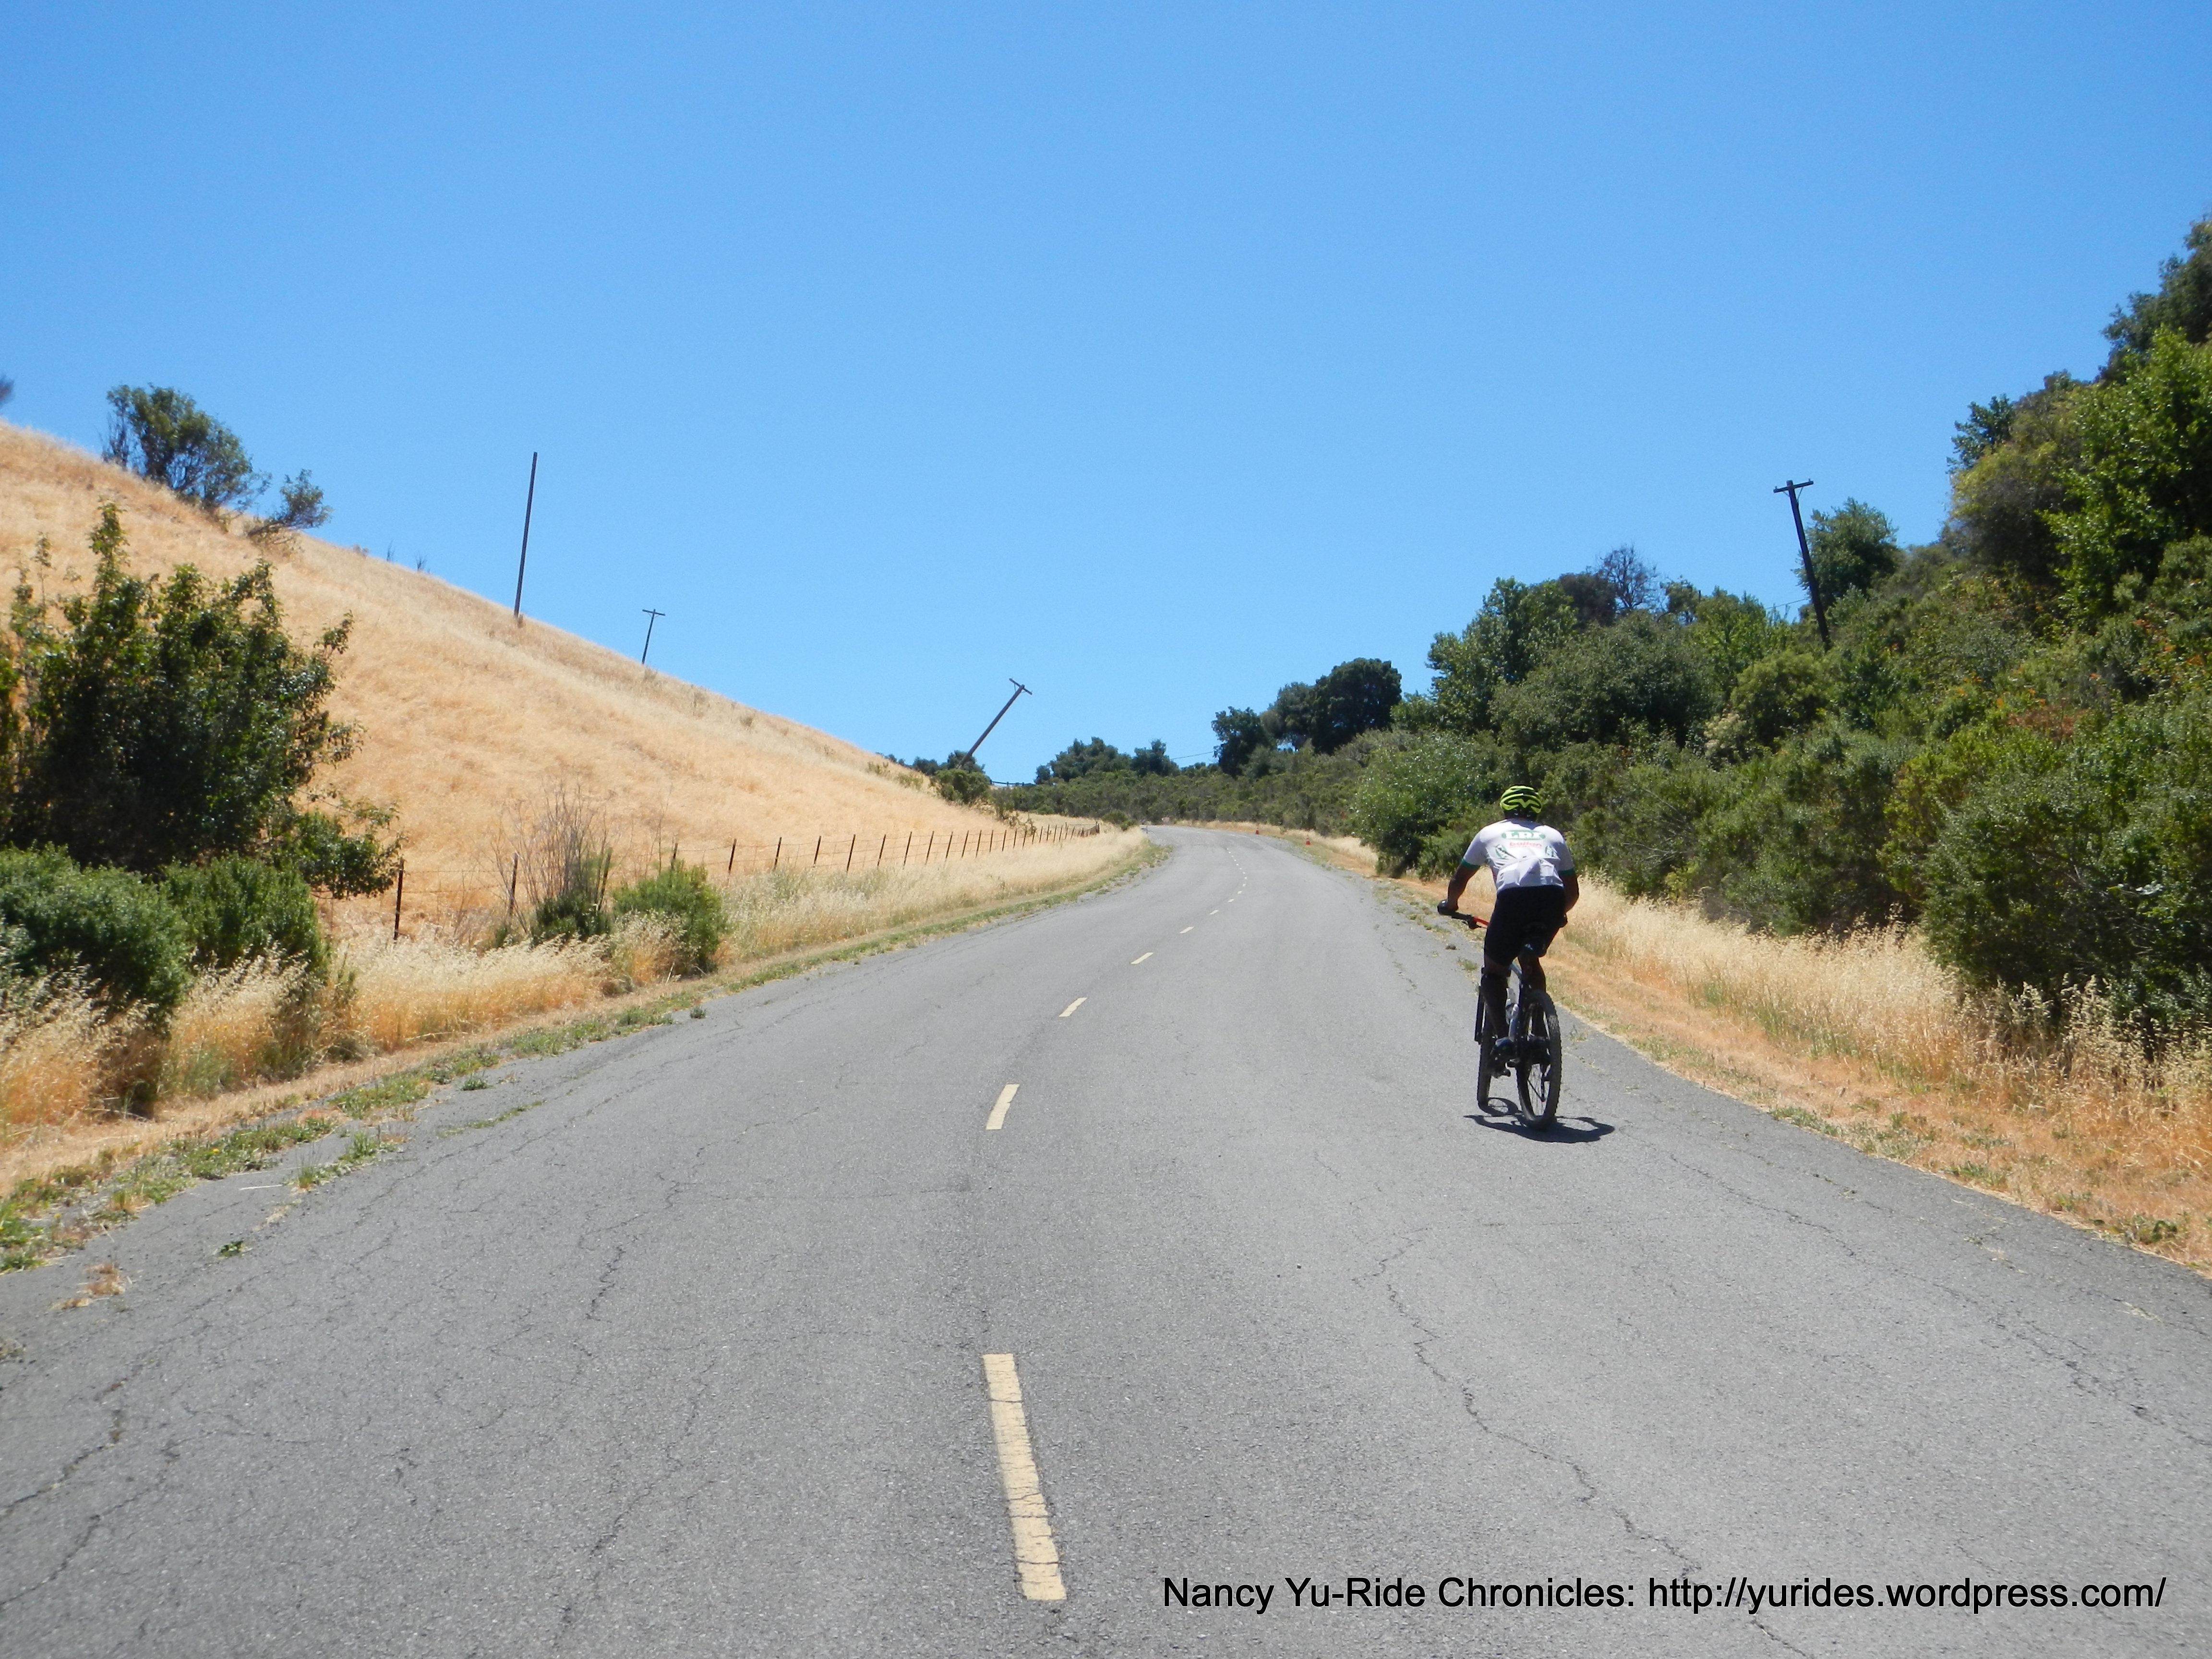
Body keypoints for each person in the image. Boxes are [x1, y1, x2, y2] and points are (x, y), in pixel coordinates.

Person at [1437, 786, 1578, 1065]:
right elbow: (1572, 891)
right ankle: (1539, 1034)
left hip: (1513, 898)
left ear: (1504, 809)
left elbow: (1460, 879)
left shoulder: (1489, 833)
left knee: (1494, 972)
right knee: (1530, 960)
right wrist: (1557, 915)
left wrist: (1451, 905)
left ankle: (1503, 1040)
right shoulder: (1553, 835)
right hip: (1552, 897)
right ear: (1536, 811)